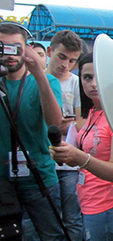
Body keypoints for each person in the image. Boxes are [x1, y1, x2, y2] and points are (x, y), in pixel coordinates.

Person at [51, 52, 113, 240]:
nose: (93, 84)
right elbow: (92, 156)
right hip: (90, 202)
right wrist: (69, 155)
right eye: (87, 77)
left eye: (99, 76)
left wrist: (79, 157)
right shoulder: (93, 111)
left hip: (111, 204)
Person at [0, 23, 65, 239]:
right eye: (3, 47)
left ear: (26, 48)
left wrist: (38, 73)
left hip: (39, 177)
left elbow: (55, 122)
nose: (10, 55)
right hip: (2, 180)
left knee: (51, 235)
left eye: (15, 48)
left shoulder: (47, 81)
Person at [45, 29, 85, 241]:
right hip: (42, 159)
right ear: (50, 51)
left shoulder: (76, 83)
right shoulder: (37, 79)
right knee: (49, 217)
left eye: (72, 60)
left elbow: (81, 122)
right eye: (62, 57)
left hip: (69, 161)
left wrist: (59, 125)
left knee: (72, 216)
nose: (65, 65)